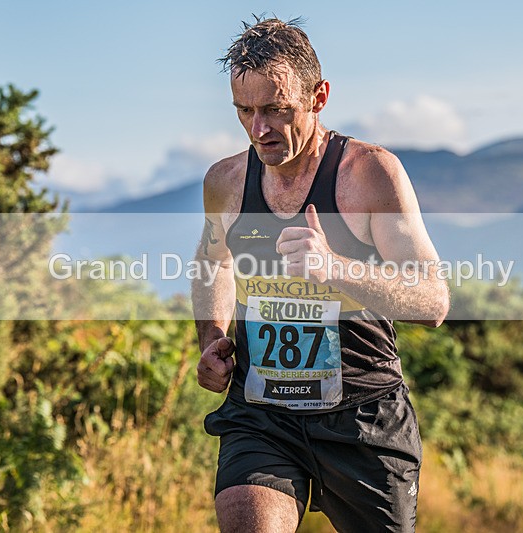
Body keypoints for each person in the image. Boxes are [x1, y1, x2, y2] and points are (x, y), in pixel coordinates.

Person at [190, 17, 449, 533]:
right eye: (244, 111)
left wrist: (334, 268)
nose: (258, 129)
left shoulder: (370, 174)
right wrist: (213, 337)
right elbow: (212, 262)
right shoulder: (226, 181)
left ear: (319, 96)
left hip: (362, 412)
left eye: (275, 110)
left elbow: (433, 299)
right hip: (261, 412)